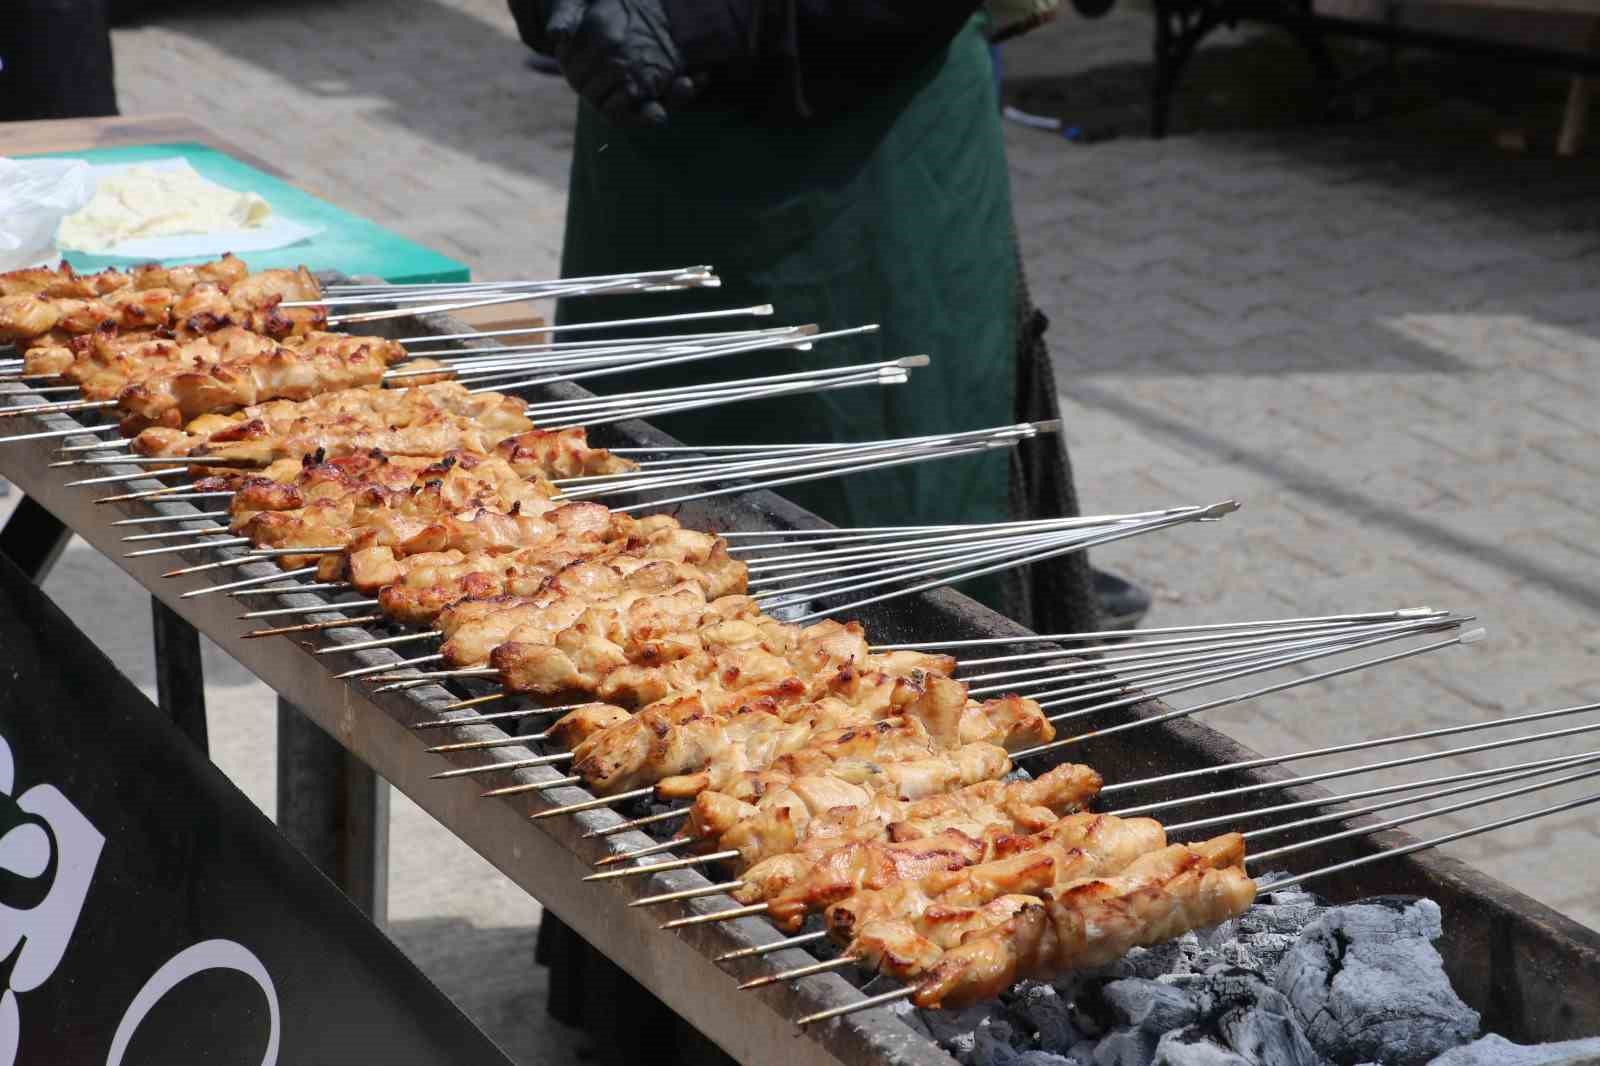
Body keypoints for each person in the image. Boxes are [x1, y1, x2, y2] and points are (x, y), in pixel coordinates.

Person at [509, 3, 1144, 1058]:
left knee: (884, 626)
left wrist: (722, 23)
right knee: (626, 590)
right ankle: (646, 1005)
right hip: (652, 166)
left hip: (863, 167)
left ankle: (928, 960)